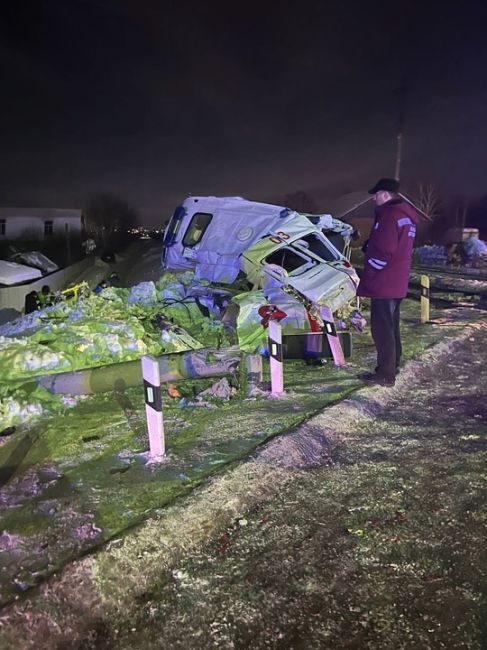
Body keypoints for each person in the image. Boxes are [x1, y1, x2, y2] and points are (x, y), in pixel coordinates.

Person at [357, 178, 418, 387]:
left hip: (384, 282)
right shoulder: (405, 216)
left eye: (376, 194)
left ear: (385, 194)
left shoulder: (389, 215)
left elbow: (385, 250)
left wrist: (371, 270)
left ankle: (385, 374)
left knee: (382, 330)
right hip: (397, 281)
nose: (374, 198)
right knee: (392, 327)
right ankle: (393, 365)